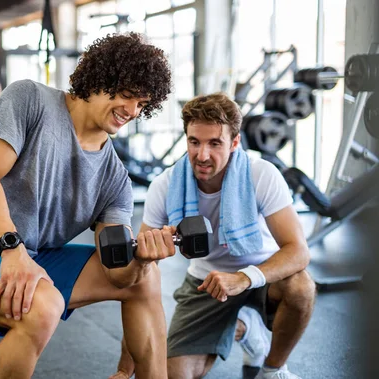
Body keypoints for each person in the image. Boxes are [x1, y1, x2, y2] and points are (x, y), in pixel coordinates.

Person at [0, 33, 173, 379]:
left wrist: (141, 262)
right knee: (44, 306)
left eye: (142, 104)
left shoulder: (115, 178)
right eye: (127, 95)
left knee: (146, 281)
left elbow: (118, 273)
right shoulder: (29, 100)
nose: (132, 111)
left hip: (35, 258)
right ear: (101, 77)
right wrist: (13, 251)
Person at [110, 93, 316, 379]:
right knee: (174, 375)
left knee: (301, 287)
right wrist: (125, 367)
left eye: (214, 143)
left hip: (264, 277)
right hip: (204, 282)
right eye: (194, 142)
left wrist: (244, 278)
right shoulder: (165, 185)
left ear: (234, 143)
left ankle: (273, 369)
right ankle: (243, 327)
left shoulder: (262, 175)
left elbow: (298, 250)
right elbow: (138, 279)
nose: (202, 155)